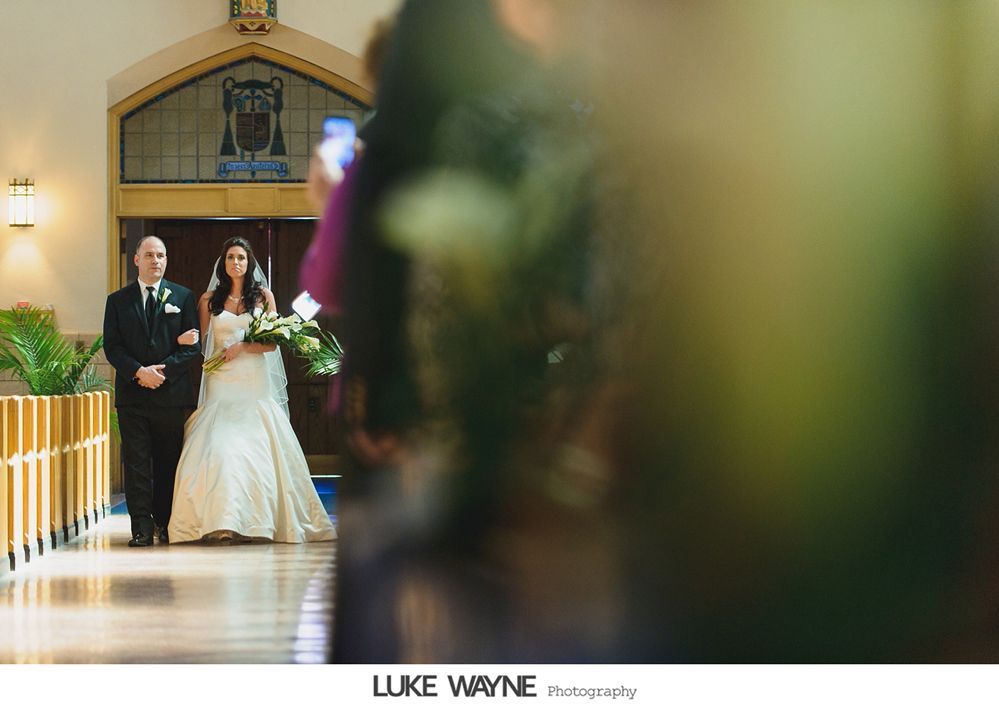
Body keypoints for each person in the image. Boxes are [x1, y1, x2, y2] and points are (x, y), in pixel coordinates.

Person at [167, 237, 335, 544]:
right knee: (221, 450)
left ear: (249, 262)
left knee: (255, 451)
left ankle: (261, 521)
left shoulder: (263, 297)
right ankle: (222, 521)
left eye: (241, 258)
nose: (236, 263)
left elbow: (271, 343)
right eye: (230, 257)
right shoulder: (208, 300)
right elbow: (200, 341)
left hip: (253, 383)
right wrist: (183, 344)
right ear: (223, 263)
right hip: (221, 384)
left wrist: (243, 346)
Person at [103, 235, 201, 547]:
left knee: (167, 462)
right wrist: (138, 372)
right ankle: (141, 528)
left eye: (160, 255)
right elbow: (113, 347)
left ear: (166, 260)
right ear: (136, 259)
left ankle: (166, 522)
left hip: (170, 396)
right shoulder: (117, 301)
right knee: (136, 464)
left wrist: (162, 372)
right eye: (149, 255)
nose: (155, 260)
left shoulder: (183, 298)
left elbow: (192, 347)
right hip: (132, 396)